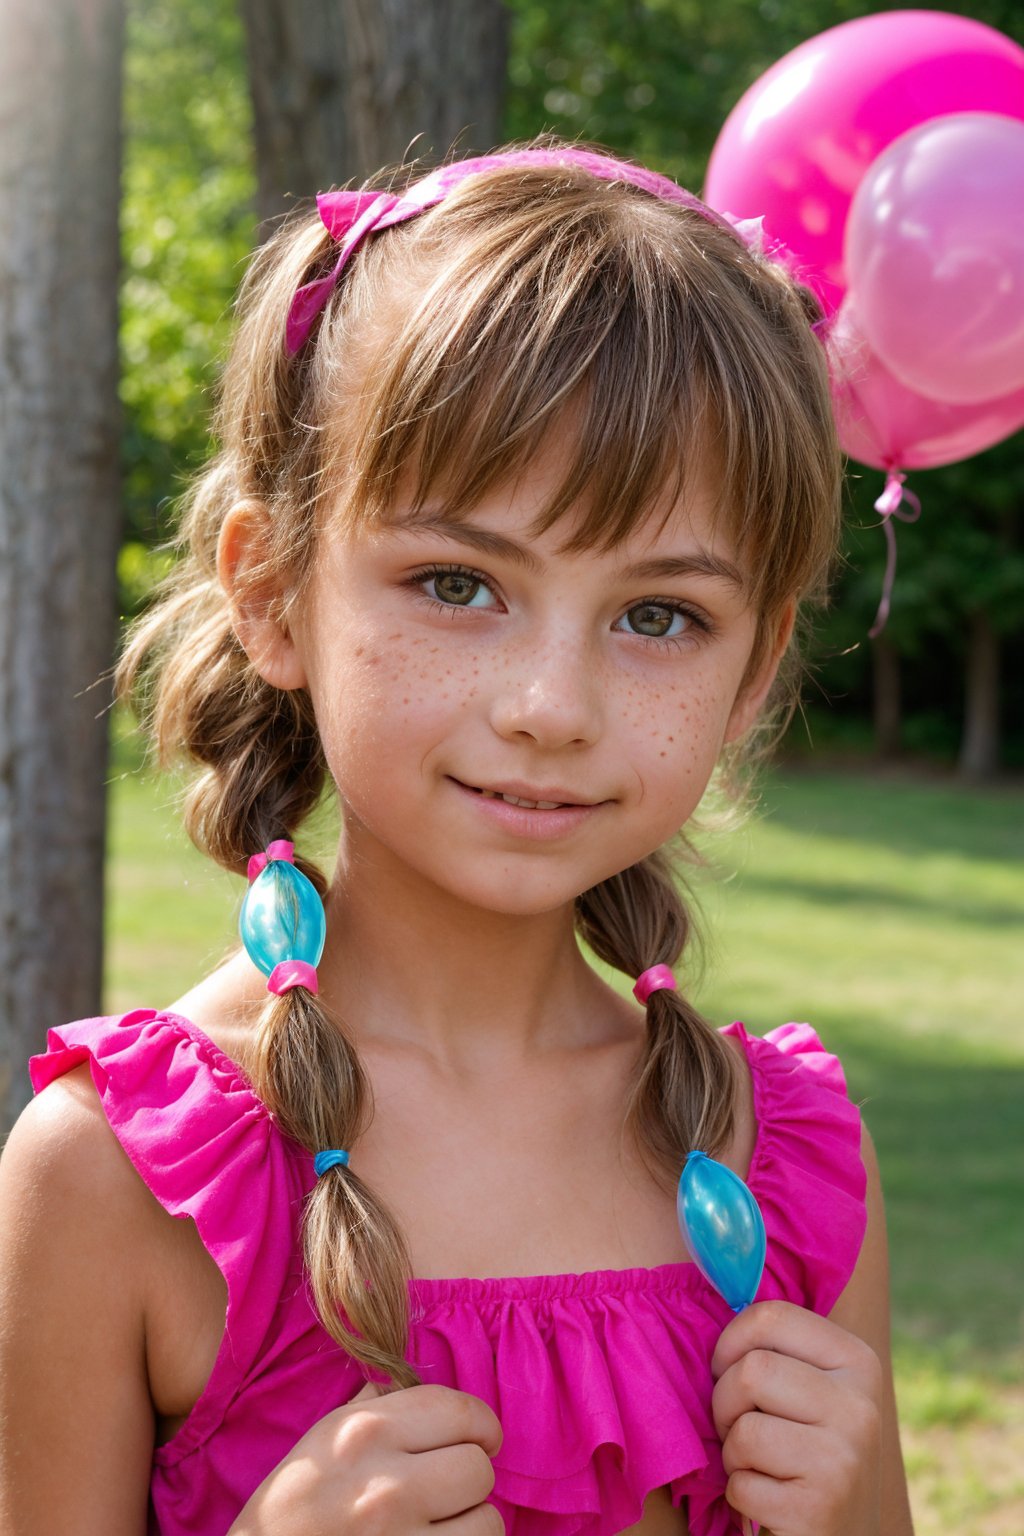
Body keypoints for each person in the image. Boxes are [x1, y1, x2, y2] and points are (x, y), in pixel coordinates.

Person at [0, 142, 914, 1536]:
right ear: (273, 591)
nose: (553, 706)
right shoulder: (111, 1180)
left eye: (658, 615)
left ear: (752, 668)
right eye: (458, 583)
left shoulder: (787, 1170)